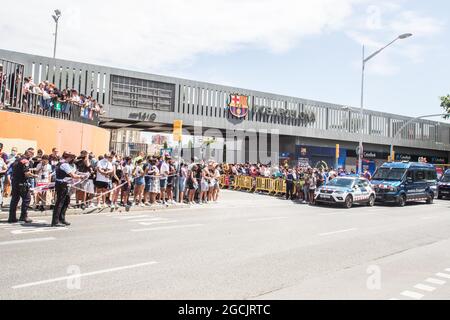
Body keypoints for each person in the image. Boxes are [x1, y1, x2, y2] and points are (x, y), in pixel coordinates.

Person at [52, 152, 85, 227]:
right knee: (60, 203)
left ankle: (61, 218)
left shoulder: (60, 163)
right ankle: (55, 221)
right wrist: (81, 176)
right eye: (71, 157)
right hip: (62, 185)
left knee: (66, 201)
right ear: (68, 158)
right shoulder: (64, 164)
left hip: (62, 184)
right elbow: (73, 175)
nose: (72, 159)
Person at [8, 148, 37, 224]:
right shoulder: (25, 161)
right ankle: (23, 216)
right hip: (22, 183)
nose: (32, 155)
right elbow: (26, 173)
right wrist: (34, 175)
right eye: (32, 154)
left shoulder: (17, 160)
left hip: (15, 182)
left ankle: (12, 217)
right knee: (27, 199)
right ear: (28, 153)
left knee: (14, 199)